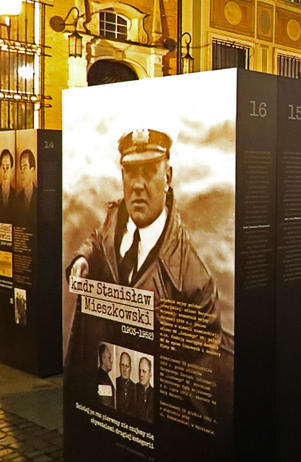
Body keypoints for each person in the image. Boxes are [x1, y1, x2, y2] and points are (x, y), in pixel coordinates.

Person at [66, 128, 224, 415]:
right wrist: (84, 257)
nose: (138, 184)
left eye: (149, 170)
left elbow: (196, 397)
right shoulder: (116, 218)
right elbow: (100, 238)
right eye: (130, 171)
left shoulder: (193, 282)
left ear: (168, 177)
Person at [12, 149, 36, 224]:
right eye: (21, 167)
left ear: (32, 170)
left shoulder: (41, 196)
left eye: (25, 167)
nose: (21, 171)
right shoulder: (16, 199)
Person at [115, 351, 136, 416]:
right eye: (122, 365)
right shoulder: (114, 382)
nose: (124, 369)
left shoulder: (135, 387)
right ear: (119, 366)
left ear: (130, 369)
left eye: (127, 366)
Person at [135, 356, 154, 423]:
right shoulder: (133, 389)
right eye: (139, 371)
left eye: (144, 371)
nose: (141, 374)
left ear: (150, 374)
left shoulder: (155, 393)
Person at [96, 343, 115, 409]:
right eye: (109, 358)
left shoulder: (101, 375)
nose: (112, 361)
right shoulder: (103, 380)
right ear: (103, 359)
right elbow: (106, 405)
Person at [0, 149, 14, 221]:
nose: (5, 171)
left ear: (11, 170)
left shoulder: (16, 195)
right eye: (3, 167)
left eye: (7, 167)